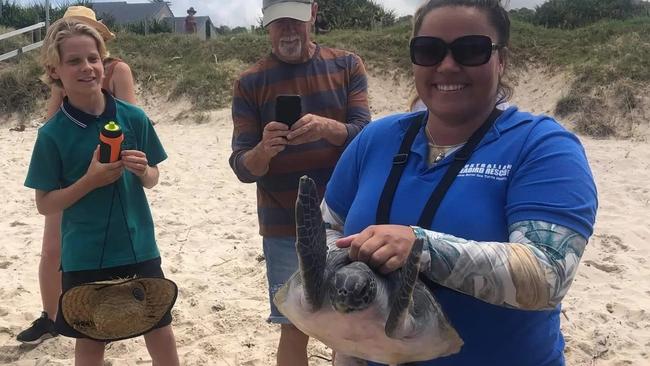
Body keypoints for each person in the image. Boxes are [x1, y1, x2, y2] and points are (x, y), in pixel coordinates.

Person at [322, 0, 598, 365]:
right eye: (429, 50)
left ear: (502, 60)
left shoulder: (541, 146)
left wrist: (420, 247)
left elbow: (546, 275)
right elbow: (326, 227)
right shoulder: (376, 140)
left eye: (471, 50)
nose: (447, 65)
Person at [24, 18, 179, 365]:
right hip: (85, 254)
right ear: (55, 70)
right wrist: (89, 181)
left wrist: (144, 170)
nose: (87, 68)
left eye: (93, 58)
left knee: (160, 330)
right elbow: (45, 204)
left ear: (104, 61)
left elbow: (153, 178)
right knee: (92, 342)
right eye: (74, 61)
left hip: (139, 245)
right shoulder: (52, 135)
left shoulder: (133, 117)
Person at [228, 0, 370, 364]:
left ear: (313, 14)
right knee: (292, 324)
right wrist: (264, 149)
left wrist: (329, 128)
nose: (288, 30)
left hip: (345, 220)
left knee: (348, 319)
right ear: (267, 24)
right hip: (282, 224)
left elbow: (367, 137)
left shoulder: (346, 65)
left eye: (295, 20)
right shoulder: (249, 82)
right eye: (279, 23)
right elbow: (243, 167)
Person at [17, 5, 137, 344]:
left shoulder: (116, 69)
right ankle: (51, 316)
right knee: (51, 249)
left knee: (110, 249)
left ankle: (108, 311)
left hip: (110, 171)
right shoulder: (65, 75)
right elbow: (53, 117)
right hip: (69, 173)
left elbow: (131, 120)